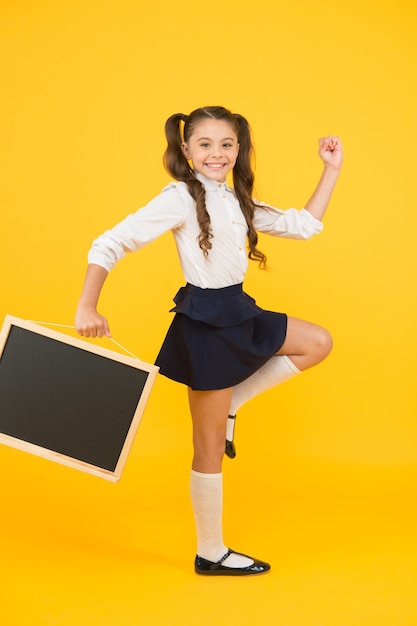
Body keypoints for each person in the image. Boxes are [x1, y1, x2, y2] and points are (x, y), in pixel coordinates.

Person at [75, 106, 343, 576]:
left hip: (239, 309)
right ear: (186, 150)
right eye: (205, 144)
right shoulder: (179, 197)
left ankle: (235, 399)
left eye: (226, 144)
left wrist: (331, 169)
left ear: (238, 150)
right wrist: (87, 306)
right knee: (208, 446)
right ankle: (211, 551)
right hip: (205, 324)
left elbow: (303, 226)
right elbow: (109, 242)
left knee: (317, 342)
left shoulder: (236, 197)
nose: (216, 153)